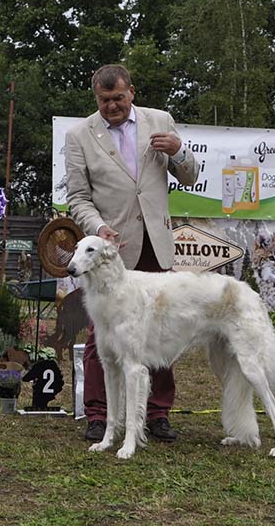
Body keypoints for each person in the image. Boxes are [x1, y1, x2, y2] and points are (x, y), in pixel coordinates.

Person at [64, 64, 199, 443]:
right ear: (96, 99)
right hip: (110, 253)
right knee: (101, 336)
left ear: (132, 93)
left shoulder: (161, 121)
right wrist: (97, 228)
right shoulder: (79, 136)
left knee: (160, 329)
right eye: (104, 100)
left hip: (156, 245)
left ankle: (157, 414)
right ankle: (100, 415)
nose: (112, 106)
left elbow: (189, 175)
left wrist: (179, 152)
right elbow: (77, 197)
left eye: (118, 98)